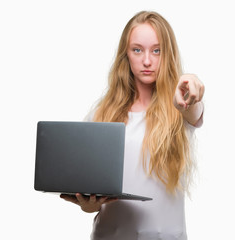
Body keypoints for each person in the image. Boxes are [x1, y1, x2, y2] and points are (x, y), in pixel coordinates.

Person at [60, 10, 204, 240]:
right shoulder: (101, 114)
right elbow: (95, 194)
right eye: (137, 50)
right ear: (126, 55)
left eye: (157, 51)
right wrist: (88, 205)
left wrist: (192, 88)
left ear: (168, 54)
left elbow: (194, 110)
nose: (147, 60)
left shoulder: (179, 107)